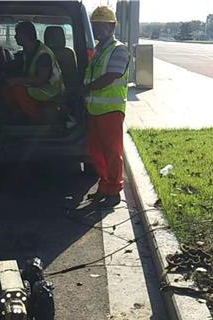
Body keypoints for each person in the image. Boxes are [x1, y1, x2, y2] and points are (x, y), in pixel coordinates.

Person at [83, 6, 130, 205]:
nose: (98, 29)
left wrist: (84, 89)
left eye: (102, 25)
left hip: (110, 110)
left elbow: (111, 76)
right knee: (97, 152)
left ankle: (114, 191)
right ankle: (104, 186)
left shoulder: (118, 50)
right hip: (95, 109)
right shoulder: (99, 50)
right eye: (95, 26)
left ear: (112, 26)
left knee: (112, 152)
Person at [1, 21, 64, 123]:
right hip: (39, 87)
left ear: (25, 35)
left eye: (17, 34)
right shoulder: (28, 51)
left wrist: (17, 80)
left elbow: (41, 80)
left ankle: (36, 120)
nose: (15, 37)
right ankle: (16, 116)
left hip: (51, 90)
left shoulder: (43, 54)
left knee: (18, 89)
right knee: (6, 87)